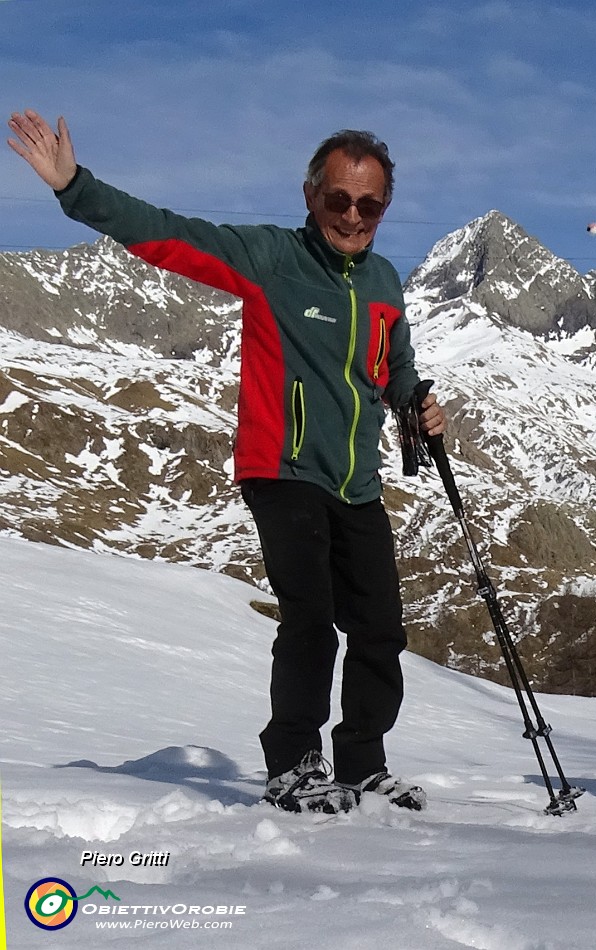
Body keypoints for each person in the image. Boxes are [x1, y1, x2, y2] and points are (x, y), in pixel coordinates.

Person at [8, 110, 445, 814]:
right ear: (311, 196)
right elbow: (173, 239)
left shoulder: (385, 283)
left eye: (370, 204)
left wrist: (414, 400)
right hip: (281, 467)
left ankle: (362, 764)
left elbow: (393, 367)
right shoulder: (272, 259)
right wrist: (75, 187)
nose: (353, 216)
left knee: (380, 628)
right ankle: (293, 767)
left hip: (356, 482)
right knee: (309, 615)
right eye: (339, 199)